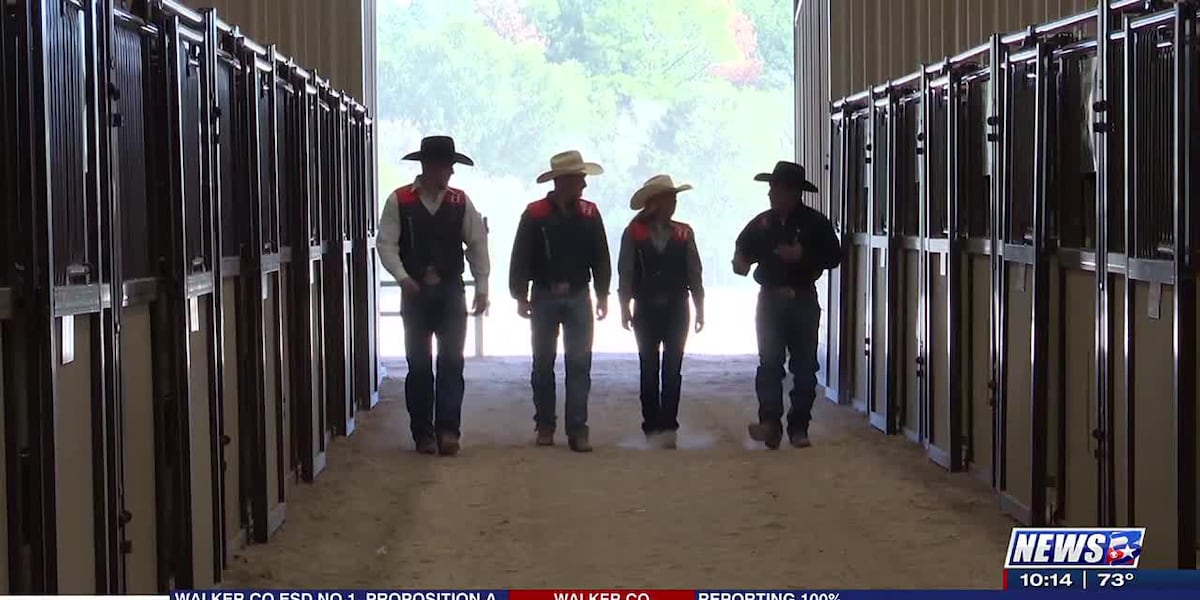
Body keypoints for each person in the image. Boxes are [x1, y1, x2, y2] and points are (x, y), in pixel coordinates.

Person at [377, 136, 490, 456]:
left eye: (451, 167)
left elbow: (477, 243)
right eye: (446, 167)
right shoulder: (400, 201)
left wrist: (482, 286)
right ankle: (422, 432)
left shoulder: (460, 202)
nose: (450, 173)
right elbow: (386, 244)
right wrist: (402, 277)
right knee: (419, 364)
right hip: (415, 292)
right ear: (429, 167)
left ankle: (448, 431)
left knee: (452, 362)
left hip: (451, 289)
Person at [732, 161, 841, 450]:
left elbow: (834, 256)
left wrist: (802, 255)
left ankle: (799, 426)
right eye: (770, 188)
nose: (770, 194)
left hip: (802, 298)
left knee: (804, 366)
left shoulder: (816, 223)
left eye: (776, 189)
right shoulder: (762, 223)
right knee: (769, 362)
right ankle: (769, 423)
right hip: (769, 299)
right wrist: (740, 261)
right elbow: (742, 249)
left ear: (792, 192)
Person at [509, 150, 612, 452]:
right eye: (580, 179)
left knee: (579, 362)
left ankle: (577, 427)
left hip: (579, 293)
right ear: (564, 181)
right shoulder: (535, 214)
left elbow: (601, 255)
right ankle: (545, 423)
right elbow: (522, 255)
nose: (584, 185)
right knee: (543, 363)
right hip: (544, 294)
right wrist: (520, 293)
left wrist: (603, 292)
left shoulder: (590, 214)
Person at [617, 175, 705, 450]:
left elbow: (695, 272)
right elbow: (626, 272)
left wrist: (700, 305)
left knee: (672, 367)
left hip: (678, 306)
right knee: (649, 367)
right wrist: (624, 306)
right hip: (645, 307)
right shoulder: (634, 233)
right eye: (670, 198)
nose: (674, 203)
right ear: (655, 203)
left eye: (675, 199)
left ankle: (668, 424)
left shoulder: (684, 232)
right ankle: (651, 423)